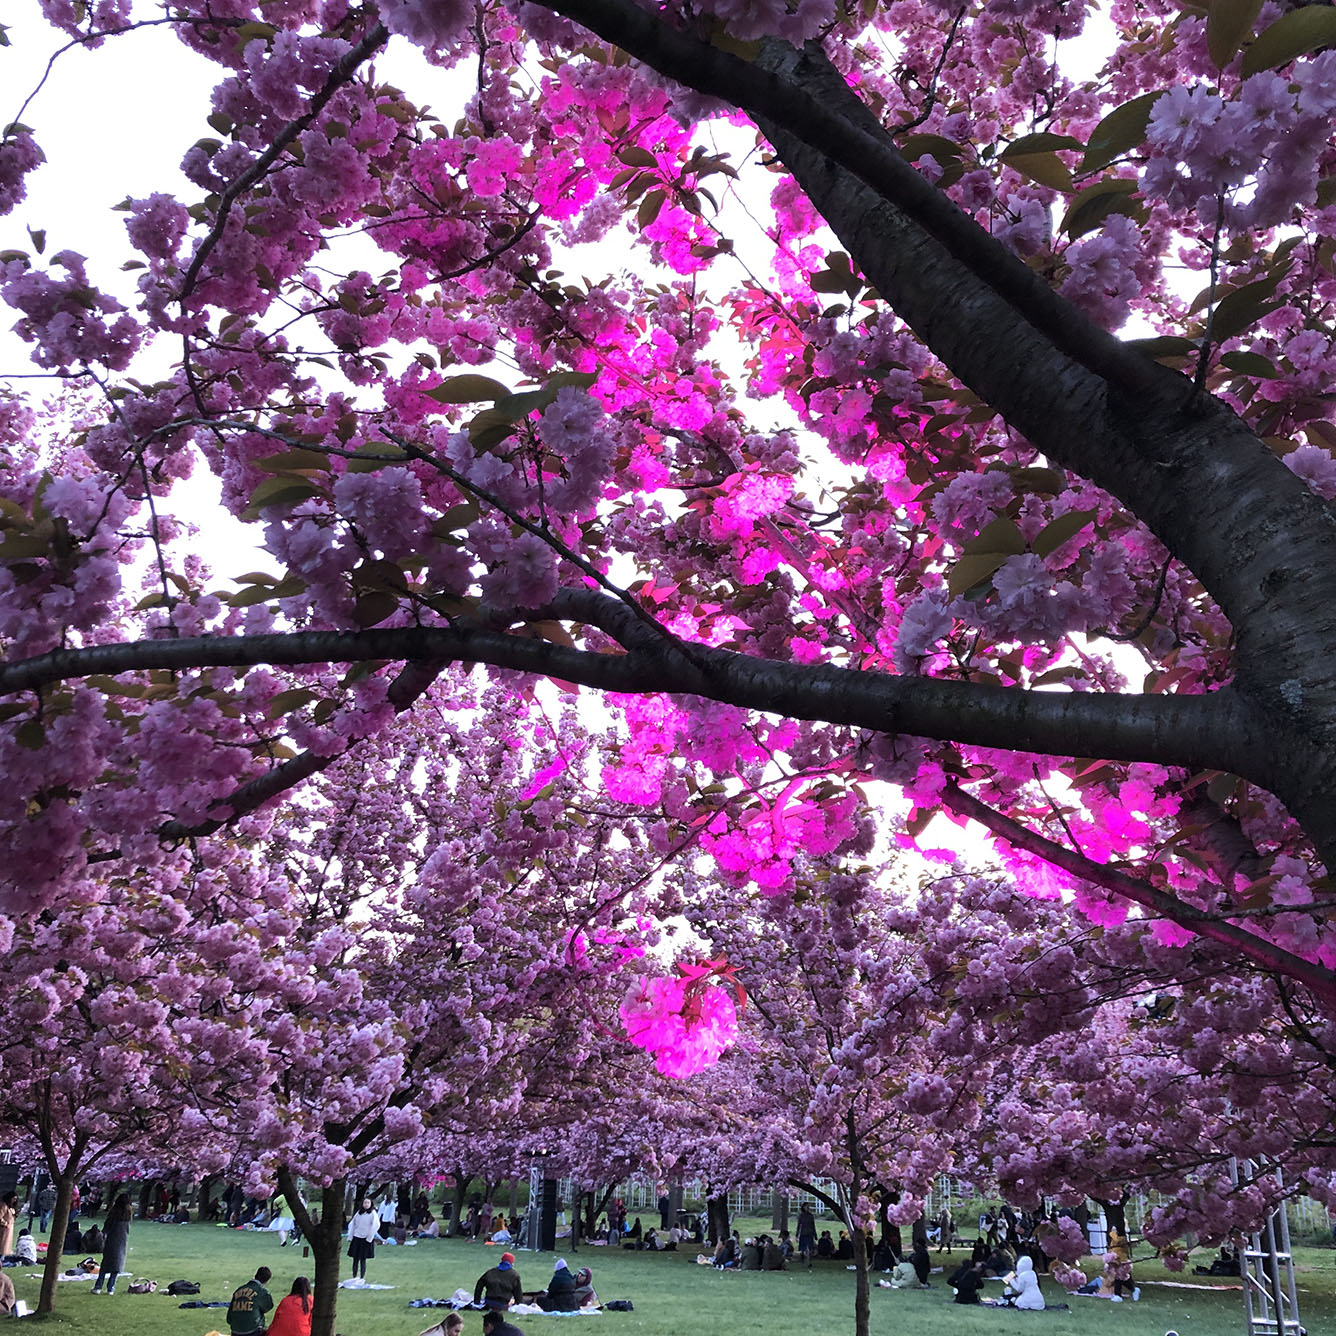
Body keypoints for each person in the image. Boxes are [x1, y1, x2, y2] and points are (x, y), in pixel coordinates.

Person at [91, 1193, 132, 1295]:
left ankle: (98, 1287)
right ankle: (110, 1288)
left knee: (105, 1265)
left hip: (111, 1239)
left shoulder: (114, 1213)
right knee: (117, 1265)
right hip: (122, 1240)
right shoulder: (128, 1214)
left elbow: (107, 1227)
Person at [227, 1266, 274, 1336]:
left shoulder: (239, 1290)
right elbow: (268, 1306)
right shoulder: (261, 1292)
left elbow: (229, 1318)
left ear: (256, 1275)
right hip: (253, 1331)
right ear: (267, 1280)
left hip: (235, 1331)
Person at [347, 1197, 380, 1282]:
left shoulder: (373, 1213)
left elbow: (375, 1225)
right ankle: (354, 1276)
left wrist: (369, 1237)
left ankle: (362, 1277)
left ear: (371, 1204)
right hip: (357, 1237)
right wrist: (351, 1236)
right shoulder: (358, 1213)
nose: (366, 1205)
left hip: (365, 1239)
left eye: (368, 1203)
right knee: (355, 1259)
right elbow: (353, 1224)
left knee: (363, 1259)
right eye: (365, 1203)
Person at [0, 1193, 16, 1259]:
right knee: (2, 1244)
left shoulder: (11, 1207)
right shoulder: (4, 1206)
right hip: (4, 1229)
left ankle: (3, 1257)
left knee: (6, 1245)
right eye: (13, 1198)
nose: (14, 1200)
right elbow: (0, 1217)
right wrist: (5, 1224)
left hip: (9, 1229)